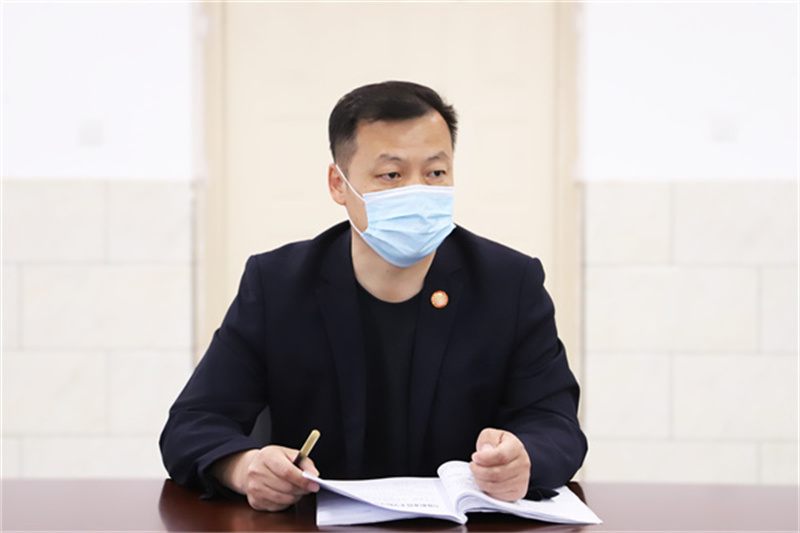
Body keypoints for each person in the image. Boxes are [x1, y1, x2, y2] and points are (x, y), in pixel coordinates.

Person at [160, 80, 587, 512]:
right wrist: (244, 466)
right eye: (392, 175)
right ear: (338, 184)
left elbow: (556, 425)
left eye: (436, 173)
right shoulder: (277, 284)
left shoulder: (509, 283)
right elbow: (193, 425)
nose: (417, 190)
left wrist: (524, 459)